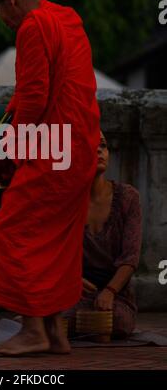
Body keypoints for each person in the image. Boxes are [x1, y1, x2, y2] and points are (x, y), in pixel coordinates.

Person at [0, 0, 100, 355]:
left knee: (10, 232)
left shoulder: (32, 27)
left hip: (52, 151)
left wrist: (11, 151)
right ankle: (56, 332)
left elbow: (33, 96)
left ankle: (32, 330)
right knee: (57, 241)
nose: (2, 21)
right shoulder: (68, 18)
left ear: (8, 0)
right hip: (80, 149)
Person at [65, 131, 142, 338]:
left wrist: (109, 291)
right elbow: (52, 249)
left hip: (116, 294)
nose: (99, 150)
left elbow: (130, 257)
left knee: (117, 320)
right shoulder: (65, 199)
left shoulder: (128, 197)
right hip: (73, 289)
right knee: (62, 317)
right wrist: (72, 278)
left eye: (104, 146)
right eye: (92, 145)